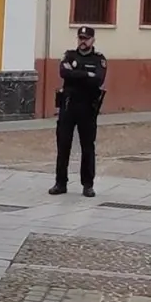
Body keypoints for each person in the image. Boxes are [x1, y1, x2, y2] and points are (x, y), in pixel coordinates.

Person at [50, 25, 107, 198]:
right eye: (81, 38)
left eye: (86, 39)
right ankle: (60, 183)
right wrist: (86, 74)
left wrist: (75, 73)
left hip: (87, 108)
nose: (83, 41)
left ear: (93, 40)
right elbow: (63, 73)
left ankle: (88, 185)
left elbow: (98, 79)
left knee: (87, 147)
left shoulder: (99, 59)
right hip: (68, 106)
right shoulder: (69, 55)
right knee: (63, 145)